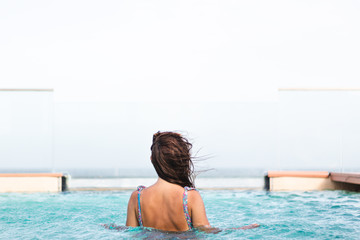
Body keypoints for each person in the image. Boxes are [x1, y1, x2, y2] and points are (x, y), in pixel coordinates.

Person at [124, 131, 259, 232]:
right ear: (182, 161)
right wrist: (240, 229)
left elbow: (131, 233)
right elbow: (206, 232)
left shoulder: (137, 197)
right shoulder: (190, 197)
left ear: (152, 159)